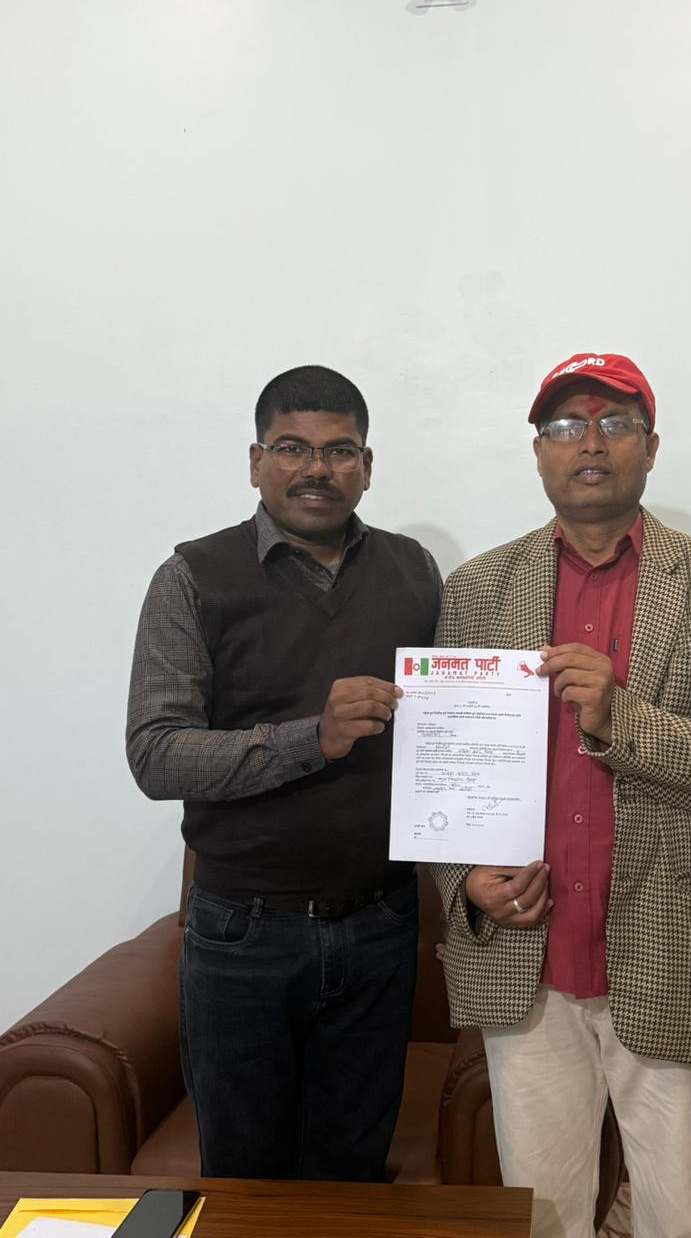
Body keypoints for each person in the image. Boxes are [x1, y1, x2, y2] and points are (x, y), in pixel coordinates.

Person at [430, 352, 691, 1238]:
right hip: (529, 960)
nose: (588, 443)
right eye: (564, 426)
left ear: (651, 447)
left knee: (676, 1218)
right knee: (543, 1216)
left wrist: (620, 718)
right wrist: (464, 877)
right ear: (539, 453)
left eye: (614, 423)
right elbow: (442, 765)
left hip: (673, 949)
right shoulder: (478, 590)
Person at [126, 365, 441, 1181]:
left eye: (340, 451)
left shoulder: (413, 571)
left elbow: (450, 731)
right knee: (244, 1176)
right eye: (293, 447)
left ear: (367, 466)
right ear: (256, 460)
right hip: (244, 933)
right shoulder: (192, 577)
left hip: (381, 921)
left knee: (353, 1172)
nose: (316, 469)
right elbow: (156, 753)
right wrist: (314, 738)